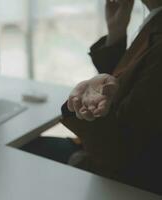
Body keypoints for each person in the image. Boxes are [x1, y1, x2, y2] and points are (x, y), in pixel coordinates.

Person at [21, 0, 162, 194]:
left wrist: (88, 109)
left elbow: (120, 155)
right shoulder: (155, 22)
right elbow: (129, 88)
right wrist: (116, 33)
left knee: (18, 154)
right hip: (105, 158)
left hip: (110, 174)